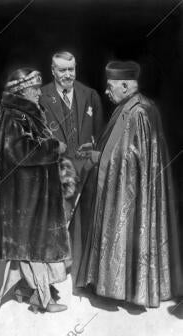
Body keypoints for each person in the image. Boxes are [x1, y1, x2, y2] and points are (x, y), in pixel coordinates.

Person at [75, 60, 183, 307]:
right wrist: (96, 149)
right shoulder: (128, 107)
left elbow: (128, 157)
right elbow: (119, 147)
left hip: (131, 191)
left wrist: (96, 157)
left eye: (110, 86)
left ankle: (128, 290)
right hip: (125, 186)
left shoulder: (139, 112)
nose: (106, 91)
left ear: (124, 85)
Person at [0, 68, 70, 313]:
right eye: (35, 89)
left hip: (33, 193)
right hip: (25, 195)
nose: (39, 92)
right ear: (22, 90)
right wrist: (54, 148)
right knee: (34, 247)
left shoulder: (27, 112)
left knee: (27, 246)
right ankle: (42, 299)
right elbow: (20, 151)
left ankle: (22, 290)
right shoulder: (14, 116)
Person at [40, 51, 105, 289]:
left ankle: (84, 266)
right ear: (53, 70)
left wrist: (96, 153)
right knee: (59, 215)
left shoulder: (90, 94)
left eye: (71, 69)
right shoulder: (41, 97)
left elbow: (100, 132)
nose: (68, 75)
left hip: (87, 166)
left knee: (88, 214)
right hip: (57, 166)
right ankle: (60, 267)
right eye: (62, 70)